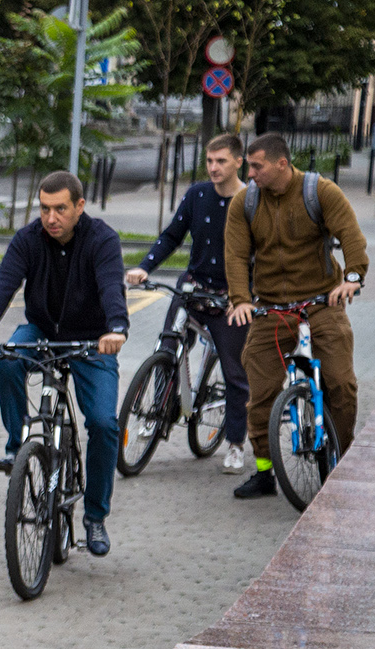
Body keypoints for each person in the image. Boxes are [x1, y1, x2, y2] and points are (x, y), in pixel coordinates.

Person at [0, 171, 128, 556]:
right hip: (41, 330)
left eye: (60, 209)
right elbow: (4, 286)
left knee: (105, 424)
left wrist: (117, 328)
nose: (51, 217)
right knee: (7, 360)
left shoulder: (102, 239)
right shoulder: (28, 240)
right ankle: (16, 445)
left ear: (79, 207)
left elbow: (111, 287)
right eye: (44, 208)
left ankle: (95, 517)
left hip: (92, 339)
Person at [224, 132, 368, 499]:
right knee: (260, 392)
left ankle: (341, 459)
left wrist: (353, 276)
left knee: (341, 384)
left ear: (281, 164)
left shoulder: (319, 192)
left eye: (256, 166)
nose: (250, 172)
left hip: (321, 304)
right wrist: (241, 298)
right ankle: (264, 471)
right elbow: (237, 255)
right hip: (271, 308)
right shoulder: (245, 202)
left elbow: (351, 235)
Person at [126, 133, 251, 474]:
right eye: (210, 161)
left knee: (235, 371)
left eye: (221, 161)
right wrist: (144, 266)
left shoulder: (252, 201)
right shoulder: (197, 195)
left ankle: (236, 443)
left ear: (238, 162)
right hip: (193, 289)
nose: (213, 167)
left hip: (230, 299)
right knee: (167, 346)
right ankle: (155, 412)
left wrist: (247, 297)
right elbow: (172, 235)